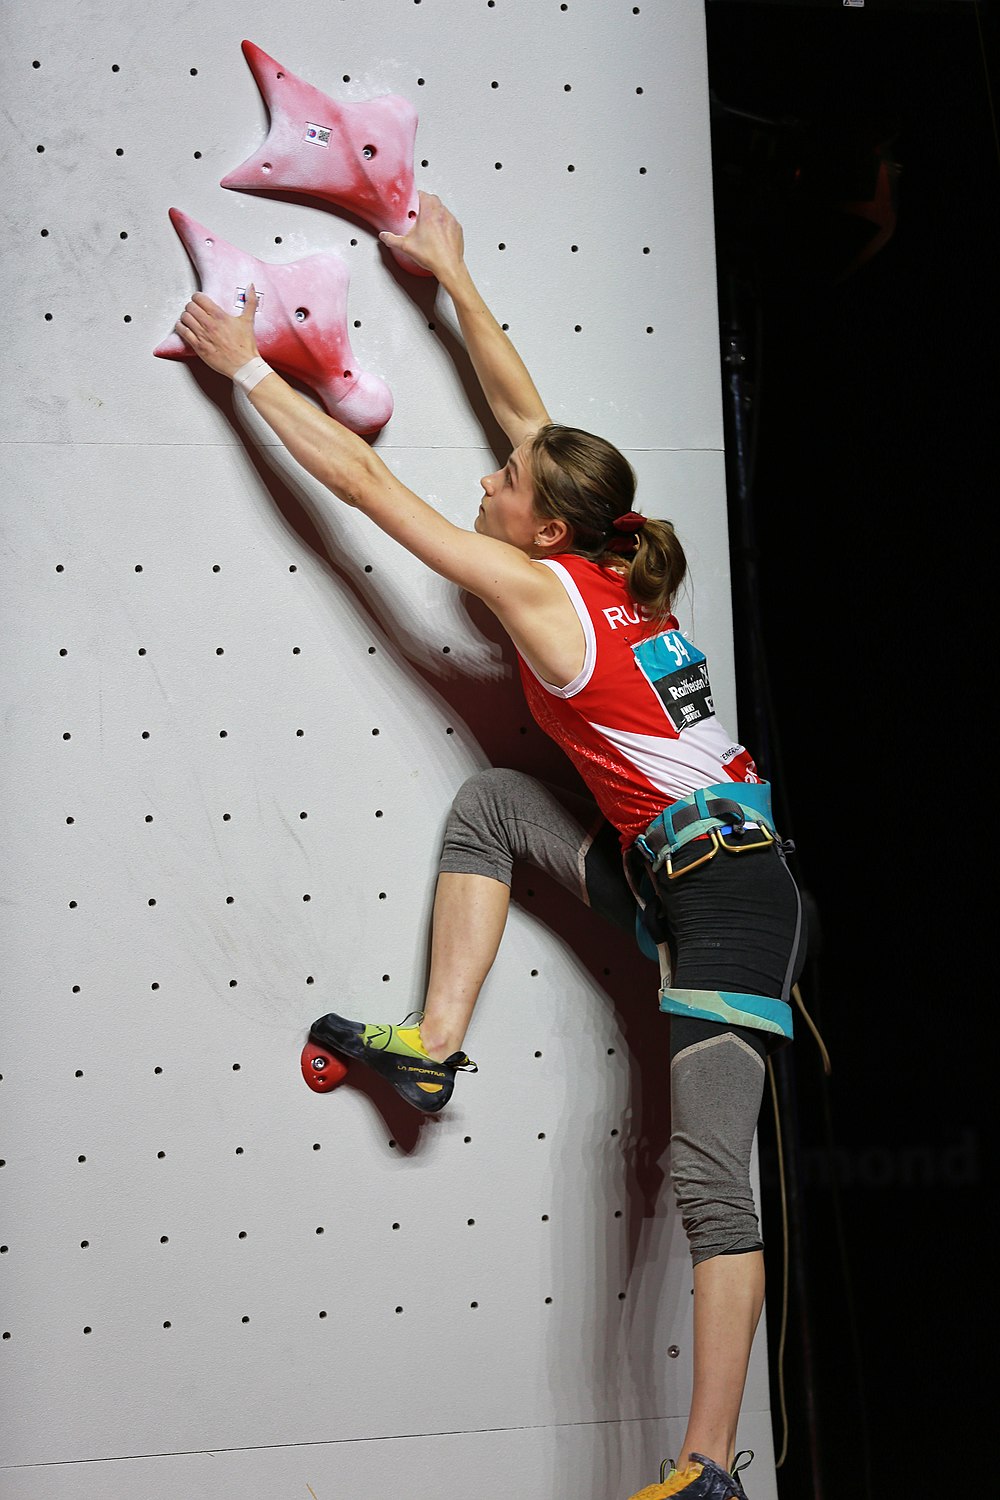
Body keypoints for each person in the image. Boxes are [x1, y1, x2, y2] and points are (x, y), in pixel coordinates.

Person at [174, 191, 806, 1500]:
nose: (489, 481)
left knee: (708, 1183)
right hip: (676, 880)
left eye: (505, 489)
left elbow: (365, 483)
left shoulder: (540, 583)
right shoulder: (614, 556)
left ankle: (712, 1471)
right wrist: (453, 278)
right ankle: (434, 1052)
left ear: (545, 531)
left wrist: (246, 377)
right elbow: (531, 412)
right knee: (493, 813)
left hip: (731, 902)